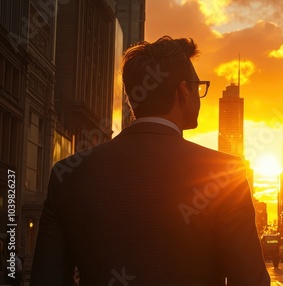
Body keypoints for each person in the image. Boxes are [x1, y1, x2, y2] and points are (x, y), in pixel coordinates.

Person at [30, 36, 270, 285]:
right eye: (198, 87)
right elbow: (250, 280)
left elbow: (47, 278)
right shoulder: (226, 173)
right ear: (183, 90)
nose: (199, 95)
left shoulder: (68, 174)